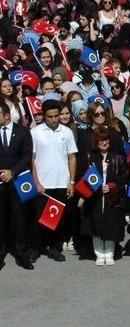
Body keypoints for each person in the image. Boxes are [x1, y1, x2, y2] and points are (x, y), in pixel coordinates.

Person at [30, 99, 78, 262]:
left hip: (61, 182)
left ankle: (54, 247)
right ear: (44, 115)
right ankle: (37, 248)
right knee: (39, 217)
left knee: (57, 218)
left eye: (56, 116)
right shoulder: (35, 132)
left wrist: (71, 181)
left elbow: (72, 157)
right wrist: (36, 182)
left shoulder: (67, 132)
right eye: (50, 116)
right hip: (43, 183)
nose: (54, 119)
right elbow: (32, 159)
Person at [79, 127, 127, 266]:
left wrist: (113, 186)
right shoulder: (90, 157)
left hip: (112, 197)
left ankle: (109, 253)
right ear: (96, 142)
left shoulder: (117, 157)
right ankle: (99, 254)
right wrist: (93, 187)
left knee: (111, 225)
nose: (104, 143)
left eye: (106, 140)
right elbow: (84, 176)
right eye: (101, 141)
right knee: (96, 225)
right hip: (95, 197)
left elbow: (123, 177)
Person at [0, 102, 34, 270]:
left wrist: (12, 172)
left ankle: (21, 254)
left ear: (6, 115)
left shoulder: (23, 131)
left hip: (18, 181)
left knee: (20, 219)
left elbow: (27, 155)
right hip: (0, 182)